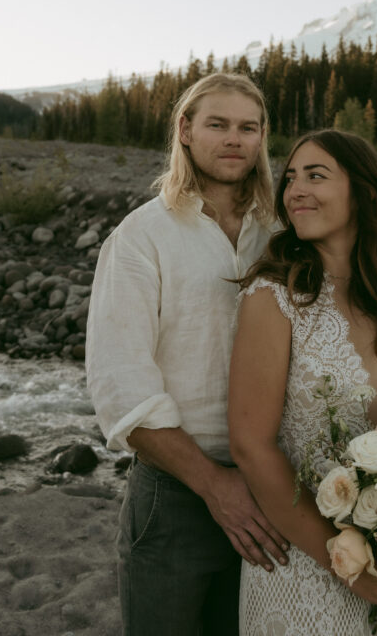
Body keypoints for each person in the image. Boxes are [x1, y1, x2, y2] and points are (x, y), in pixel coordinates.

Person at [86, 72, 289, 636]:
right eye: (217, 124)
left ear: (262, 138)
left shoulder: (279, 233)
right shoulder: (141, 237)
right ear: (185, 130)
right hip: (175, 496)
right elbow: (120, 384)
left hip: (274, 490)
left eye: (248, 128)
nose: (234, 139)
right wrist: (215, 486)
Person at [229, 129, 377, 636]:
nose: (296, 189)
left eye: (316, 175)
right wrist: (345, 565)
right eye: (291, 178)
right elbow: (252, 447)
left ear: (362, 192)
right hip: (301, 568)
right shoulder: (273, 300)